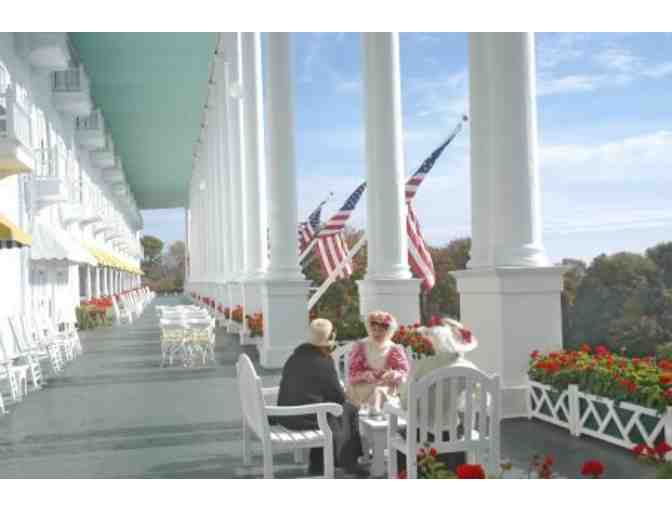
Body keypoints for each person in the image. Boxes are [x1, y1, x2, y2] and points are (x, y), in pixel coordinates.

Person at [273, 318, 367, 477]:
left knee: (328, 411)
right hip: (303, 418)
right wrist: (349, 396)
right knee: (348, 410)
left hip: (286, 415)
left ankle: (318, 463)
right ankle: (349, 463)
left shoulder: (294, 357)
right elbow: (338, 397)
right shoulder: (324, 362)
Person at [347, 311, 409, 415]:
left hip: (385, 386)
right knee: (357, 389)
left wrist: (393, 374)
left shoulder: (394, 349)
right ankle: (361, 414)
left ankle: (375, 414)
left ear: (389, 331)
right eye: (374, 330)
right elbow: (352, 372)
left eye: (381, 330)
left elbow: (404, 371)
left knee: (379, 391)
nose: (377, 333)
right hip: (363, 385)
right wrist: (364, 375)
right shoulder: (360, 346)